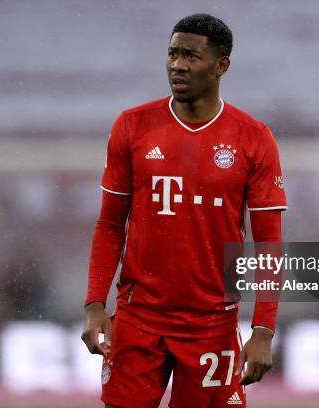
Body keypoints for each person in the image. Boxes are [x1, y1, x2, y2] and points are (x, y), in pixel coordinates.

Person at [81, 13, 287, 408]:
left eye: (191, 56)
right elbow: (109, 224)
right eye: (173, 54)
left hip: (212, 324)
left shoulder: (253, 138)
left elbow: (269, 245)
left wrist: (263, 330)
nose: (177, 65)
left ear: (221, 65)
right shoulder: (133, 126)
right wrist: (94, 305)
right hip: (139, 319)